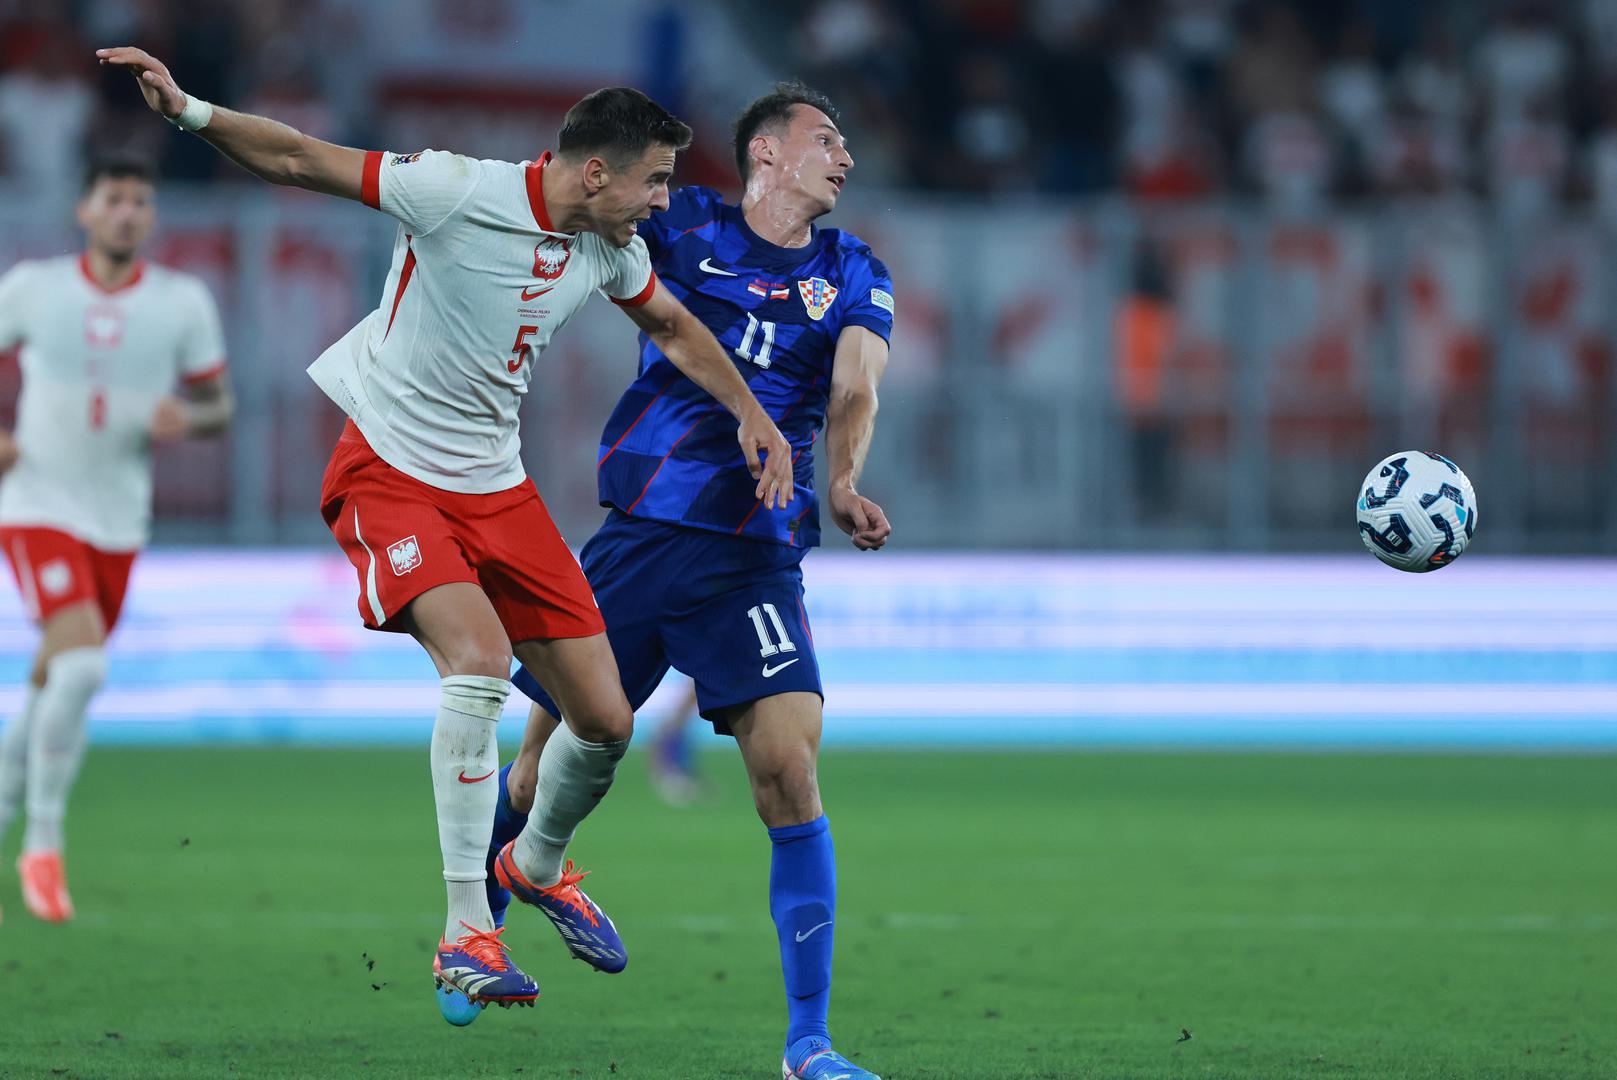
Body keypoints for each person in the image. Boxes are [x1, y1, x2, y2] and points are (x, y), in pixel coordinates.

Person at [96, 46, 794, 1007]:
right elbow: (299, 158)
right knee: (477, 661)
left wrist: (751, 412)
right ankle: (466, 932)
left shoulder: (608, 247)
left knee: (604, 721)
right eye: (656, 180)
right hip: (390, 471)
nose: (663, 201)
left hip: (496, 488)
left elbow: (672, 327)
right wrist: (188, 110)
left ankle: (534, 864)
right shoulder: (455, 190)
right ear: (597, 173)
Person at [494, 83, 892, 1079]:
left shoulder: (852, 269)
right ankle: (474, 937)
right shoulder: (686, 224)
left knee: (789, 773)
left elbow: (855, 385)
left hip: (755, 553)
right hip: (641, 536)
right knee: (538, 775)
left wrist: (844, 479)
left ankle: (809, 1043)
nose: (844, 158)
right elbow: (580, 215)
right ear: (767, 154)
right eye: (826, 139)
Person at [0, 157, 233, 924]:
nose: (127, 212)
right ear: (85, 211)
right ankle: (42, 843)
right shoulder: (33, 288)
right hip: (35, 502)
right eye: (114, 199)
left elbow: (219, 404)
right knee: (83, 667)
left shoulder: (181, 302)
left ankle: (4, 802)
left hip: (119, 518)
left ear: (152, 216)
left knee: (54, 680)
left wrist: (189, 419)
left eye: (140, 200)